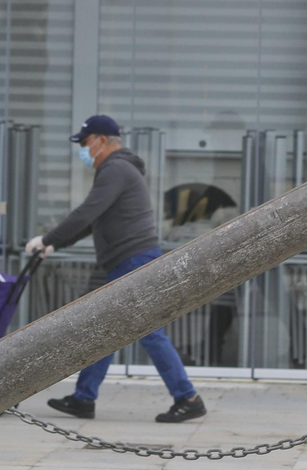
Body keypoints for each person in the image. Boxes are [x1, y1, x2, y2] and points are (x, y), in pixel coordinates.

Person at [26, 114, 207, 423]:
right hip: (125, 261)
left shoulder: (116, 169)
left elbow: (87, 212)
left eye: (85, 143)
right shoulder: (118, 170)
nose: (83, 149)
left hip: (133, 261)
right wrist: (55, 245)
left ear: (102, 140)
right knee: (105, 330)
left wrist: (49, 237)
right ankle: (84, 398)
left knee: (149, 332)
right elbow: (96, 219)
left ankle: (188, 397)